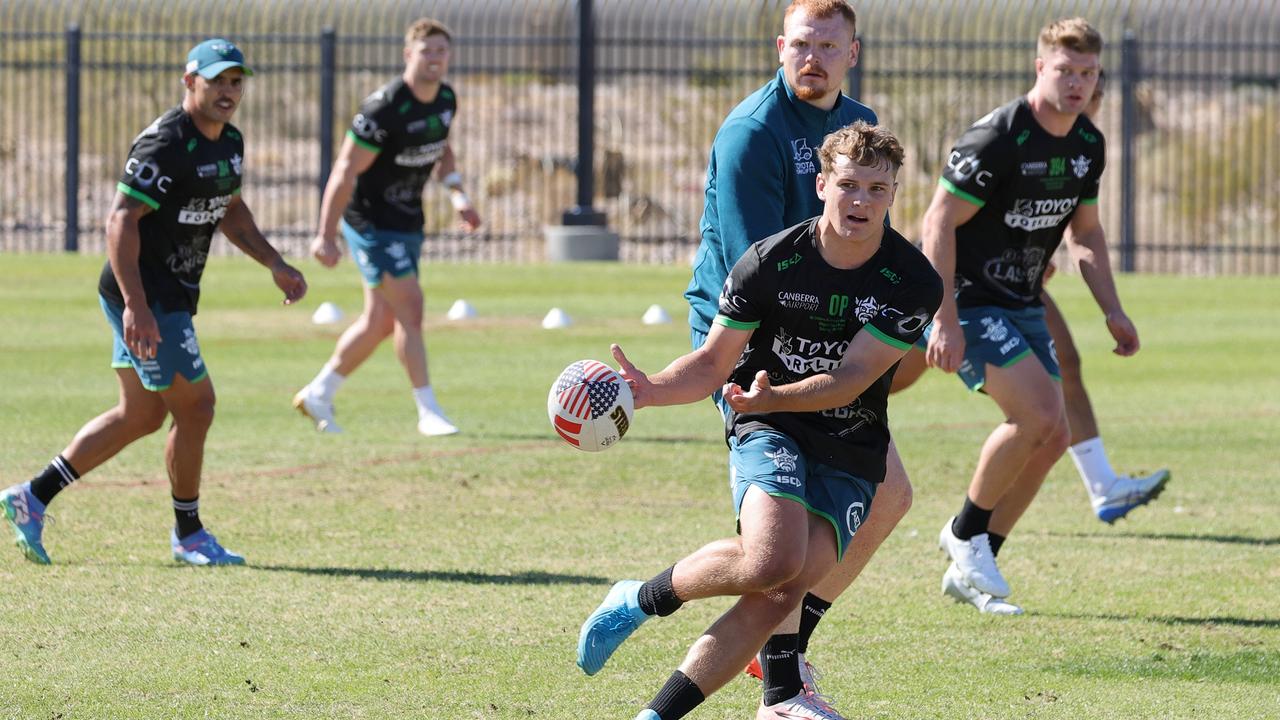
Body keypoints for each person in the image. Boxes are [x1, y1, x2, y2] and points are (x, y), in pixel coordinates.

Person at [577, 123, 942, 720]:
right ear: (822, 184)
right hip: (765, 424)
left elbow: (853, 378)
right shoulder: (770, 262)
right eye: (848, 185)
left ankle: (656, 708)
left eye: (877, 189)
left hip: (848, 439)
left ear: (894, 194)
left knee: (780, 594)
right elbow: (712, 363)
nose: (861, 201)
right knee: (771, 560)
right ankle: (642, 601)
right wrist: (650, 390)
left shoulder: (912, 280)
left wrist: (776, 395)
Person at [0, 39, 307, 566]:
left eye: (236, 81)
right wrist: (136, 306)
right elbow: (121, 219)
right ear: (190, 82)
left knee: (141, 414)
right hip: (144, 294)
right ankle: (189, 534)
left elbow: (229, 209)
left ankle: (32, 496)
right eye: (217, 81)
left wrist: (275, 263)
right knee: (198, 407)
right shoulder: (165, 143)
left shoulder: (229, 142)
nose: (228, 91)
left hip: (167, 295)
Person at [683, 0, 912, 701]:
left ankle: (784, 653)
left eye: (828, 46)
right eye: (801, 44)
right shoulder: (752, 134)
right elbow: (755, 269)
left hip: (821, 330)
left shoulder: (855, 128)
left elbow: (864, 243)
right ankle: (781, 683)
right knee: (782, 546)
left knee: (886, 497)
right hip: (755, 338)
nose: (812, 58)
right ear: (780, 46)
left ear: (854, 52)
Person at [919, 18, 1165, 615]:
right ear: (1040, 68)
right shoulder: (999, 138)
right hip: (970, 298)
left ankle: (977, 565)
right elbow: (937, 222)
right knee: (1037, 414)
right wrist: (943, 317)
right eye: (1065, 70)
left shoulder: (1087, 144)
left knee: (1052, 436)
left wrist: (1113, 309)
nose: (1077, 84)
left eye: (1088, 73)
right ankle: (963, 530)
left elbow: (1084, 234)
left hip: (1023, 299)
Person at [294, 17, 481, 437]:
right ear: (407, 55)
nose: (434, 59)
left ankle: (318, 393)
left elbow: (442, 148)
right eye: (426, 51)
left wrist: (458, 196)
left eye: (441, 51)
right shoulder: (383, 109)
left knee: (379, 320)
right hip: (370, 221)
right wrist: (325, 234)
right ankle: (428, 410)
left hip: (408, 219)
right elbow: (344, 171)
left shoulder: (445, 99)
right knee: (410, 309)